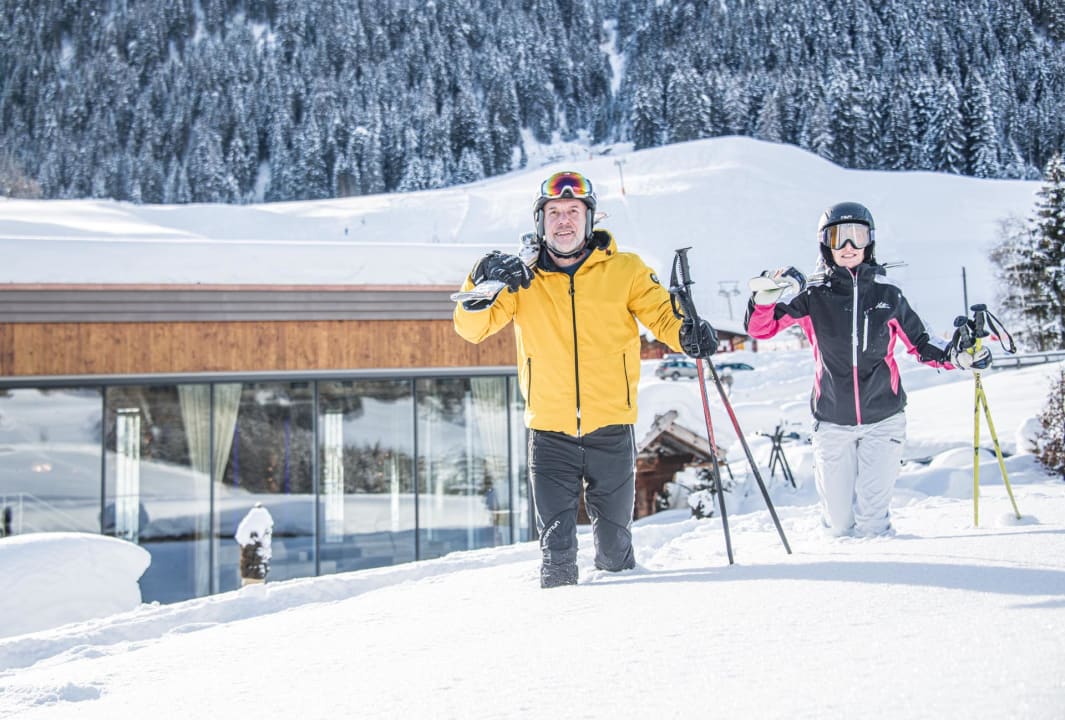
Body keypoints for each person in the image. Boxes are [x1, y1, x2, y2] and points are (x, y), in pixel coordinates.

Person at [453, 170, 717, 587]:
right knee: (556, 557)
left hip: (611, 428)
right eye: (554, 212)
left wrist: (688, 334)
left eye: (573, 211)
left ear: (590, 218)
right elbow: (472, 329)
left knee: (615, 551)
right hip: (549, 433)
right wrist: (481, 279)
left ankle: (619, 616)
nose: (564, 221)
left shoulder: (626, 270)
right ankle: (563, 624)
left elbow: (664, 318)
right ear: (541, 222)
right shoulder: (523, 279)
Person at [744, 201, 990, 538]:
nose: (848, 246)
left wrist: (957, 357)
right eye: (838, 237)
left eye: (857, 236)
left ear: (869, 241)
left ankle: (883, 565)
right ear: (824, 244)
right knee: (838, 523)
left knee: (873, 522)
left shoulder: (888, 295)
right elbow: (761, 329)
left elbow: (922, 343)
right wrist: (764, 298)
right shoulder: (813, 297)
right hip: (832, 422)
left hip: (883, 420)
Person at [235, 502, 274, 585]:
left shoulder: (247, 526)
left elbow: (241, 539)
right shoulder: (259, 525)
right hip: (254, 570)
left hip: (251, 569)